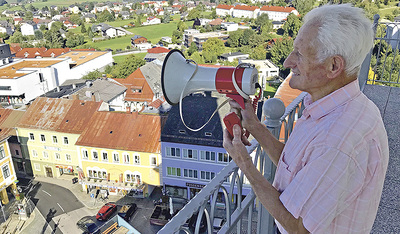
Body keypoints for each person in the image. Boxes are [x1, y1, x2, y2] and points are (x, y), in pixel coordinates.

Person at [223, 4, 389, 234]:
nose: (287, 62)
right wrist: (254, 126)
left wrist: (243, 162)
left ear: (333, 66)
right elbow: (301, 169)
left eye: (299, 54)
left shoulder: (337, 139)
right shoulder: (341, 108)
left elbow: (299, 226)